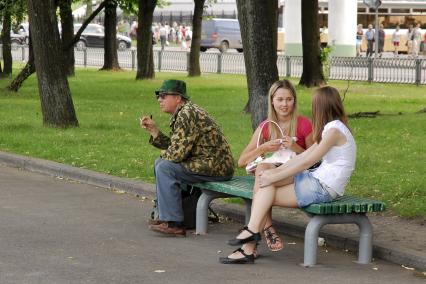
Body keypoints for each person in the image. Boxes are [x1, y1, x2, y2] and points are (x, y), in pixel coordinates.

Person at [219, 86, 356, 264]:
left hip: (322, 187)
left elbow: (307, 162)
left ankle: (250, 237)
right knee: (264, 182)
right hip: (315, 181)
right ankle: (250, 241)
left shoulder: (333, 131)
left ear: (321, 107)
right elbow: (304, 157)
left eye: (315, 106)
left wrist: (273, 177)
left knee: (264, 189)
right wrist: (273, 173)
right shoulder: (332, 128)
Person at [139, 79, 234, 237]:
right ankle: (167, 217)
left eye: (163, 96)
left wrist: (165, 155)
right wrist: (154, 131)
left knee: (164, 166)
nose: (159, 100)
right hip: (209, 163)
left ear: (178, 98)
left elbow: (177, 154)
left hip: (215, 166)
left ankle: (174, 223)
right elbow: (178, 146)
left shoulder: (186, 114)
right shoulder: (184, 111)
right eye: (158, 96)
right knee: (162, 163)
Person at [237, 80, 314, 252]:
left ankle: (261, 232)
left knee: (263, 176)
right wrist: (264, 147)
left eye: (289, 99)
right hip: (270, 176)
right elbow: (242, 161)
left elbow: (314, 160)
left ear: (294, 100)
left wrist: (295, 147)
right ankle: (262, 231)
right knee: (263, 172)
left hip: (296, 175)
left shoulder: (304, 124)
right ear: (272, 101)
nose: (284, 104)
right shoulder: (266, 126)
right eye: (280, 99)